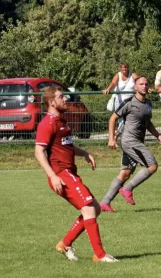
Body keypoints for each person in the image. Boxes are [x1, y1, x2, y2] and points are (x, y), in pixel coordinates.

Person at [34, 86, 118, 262]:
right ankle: (100, 255)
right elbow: (39, 152)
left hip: (69, 173)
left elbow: (67, 146)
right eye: (61, 97)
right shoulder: (47, 123)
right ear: (51, 102)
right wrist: (52, 175)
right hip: (61, 174)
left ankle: (65, 244)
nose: (65, 99)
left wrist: (85, 154)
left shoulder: (61, 121)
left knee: (94, 208)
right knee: (89, 209)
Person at [100, 76, 161, 212]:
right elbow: (113, 118)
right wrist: (111, 139)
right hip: (130, 141)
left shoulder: (148, 103)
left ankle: (104, 203)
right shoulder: (129, 102)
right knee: (152, 166)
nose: (144, 86)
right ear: (135, 87)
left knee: (124, 174)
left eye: (146, 84)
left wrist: (158, 135)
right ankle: (127, 189)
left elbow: (148, 123)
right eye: (141, 84)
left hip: (136, 142)